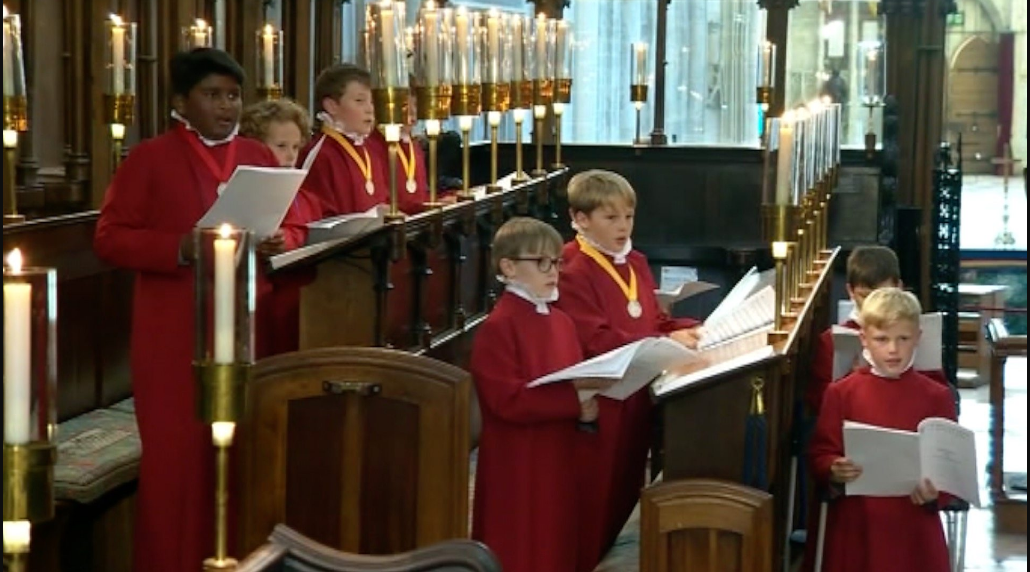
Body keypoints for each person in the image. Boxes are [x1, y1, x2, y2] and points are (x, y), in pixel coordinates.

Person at [93, 48, 303, 572]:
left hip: (246, 327)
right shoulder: (150, 158)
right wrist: (178, 247)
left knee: (244, 457)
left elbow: (297, 223)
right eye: (213, 95)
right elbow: (110, 238)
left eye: (233, 95)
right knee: (178, 467)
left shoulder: (257, 155)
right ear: (181, 101)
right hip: (173, 338)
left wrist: (281, 238)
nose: (227, 106)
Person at [554, 169, 702, 571]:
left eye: (629, 217)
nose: (623, 227)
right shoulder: (571, 267)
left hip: (637, 394)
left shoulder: (634, 261)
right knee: (593, 501)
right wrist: (666, 344)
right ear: (580, 219)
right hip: (603, 400)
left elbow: (652, 319)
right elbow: (594, 338)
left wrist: (690, 329)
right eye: (611, 218)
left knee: (623, 494)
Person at [469, 217, 600, 572]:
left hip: (557, 451)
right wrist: (574, 404)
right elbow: (505, 400)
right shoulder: (498, 326)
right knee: (521, 543)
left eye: (557, 261)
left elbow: (573, 378)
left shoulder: (562, 322)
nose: (553, 271)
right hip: (517, 459)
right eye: (541, 262)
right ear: (508, 266)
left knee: (554, 539)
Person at [807, 287, 955, 572]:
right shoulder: (841, 392)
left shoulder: (936, 396)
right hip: (857, 521)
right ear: (864, 339)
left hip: (914, 526)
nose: (893, 349)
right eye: (882, 339)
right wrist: (833, 469)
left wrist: (936, 492)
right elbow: (821, 453)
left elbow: (948, 466)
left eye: (903, 339)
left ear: (918, 339)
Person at [807, 246, 947, 415]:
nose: (874, 302)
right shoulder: (831, 341)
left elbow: (940, 393)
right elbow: (818, 403)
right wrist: (852, 379)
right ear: (850, 291)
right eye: (865, 296)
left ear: (899, 287)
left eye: (883, 293)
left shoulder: (913, 329)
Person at [239, 98, 322, 356]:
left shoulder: (305, 193)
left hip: (306, 298)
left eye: (296, 147)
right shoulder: (249, 188)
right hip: (266, 299)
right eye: (281, 146)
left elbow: (315, 225)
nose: (290, 156)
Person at [296, 63, 390, 217]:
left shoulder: (370, 151)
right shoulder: (321, 155)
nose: (370, 109)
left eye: (371, 102)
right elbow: (318, 221)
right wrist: (372, 217)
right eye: (360, 101)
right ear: (332, 106)